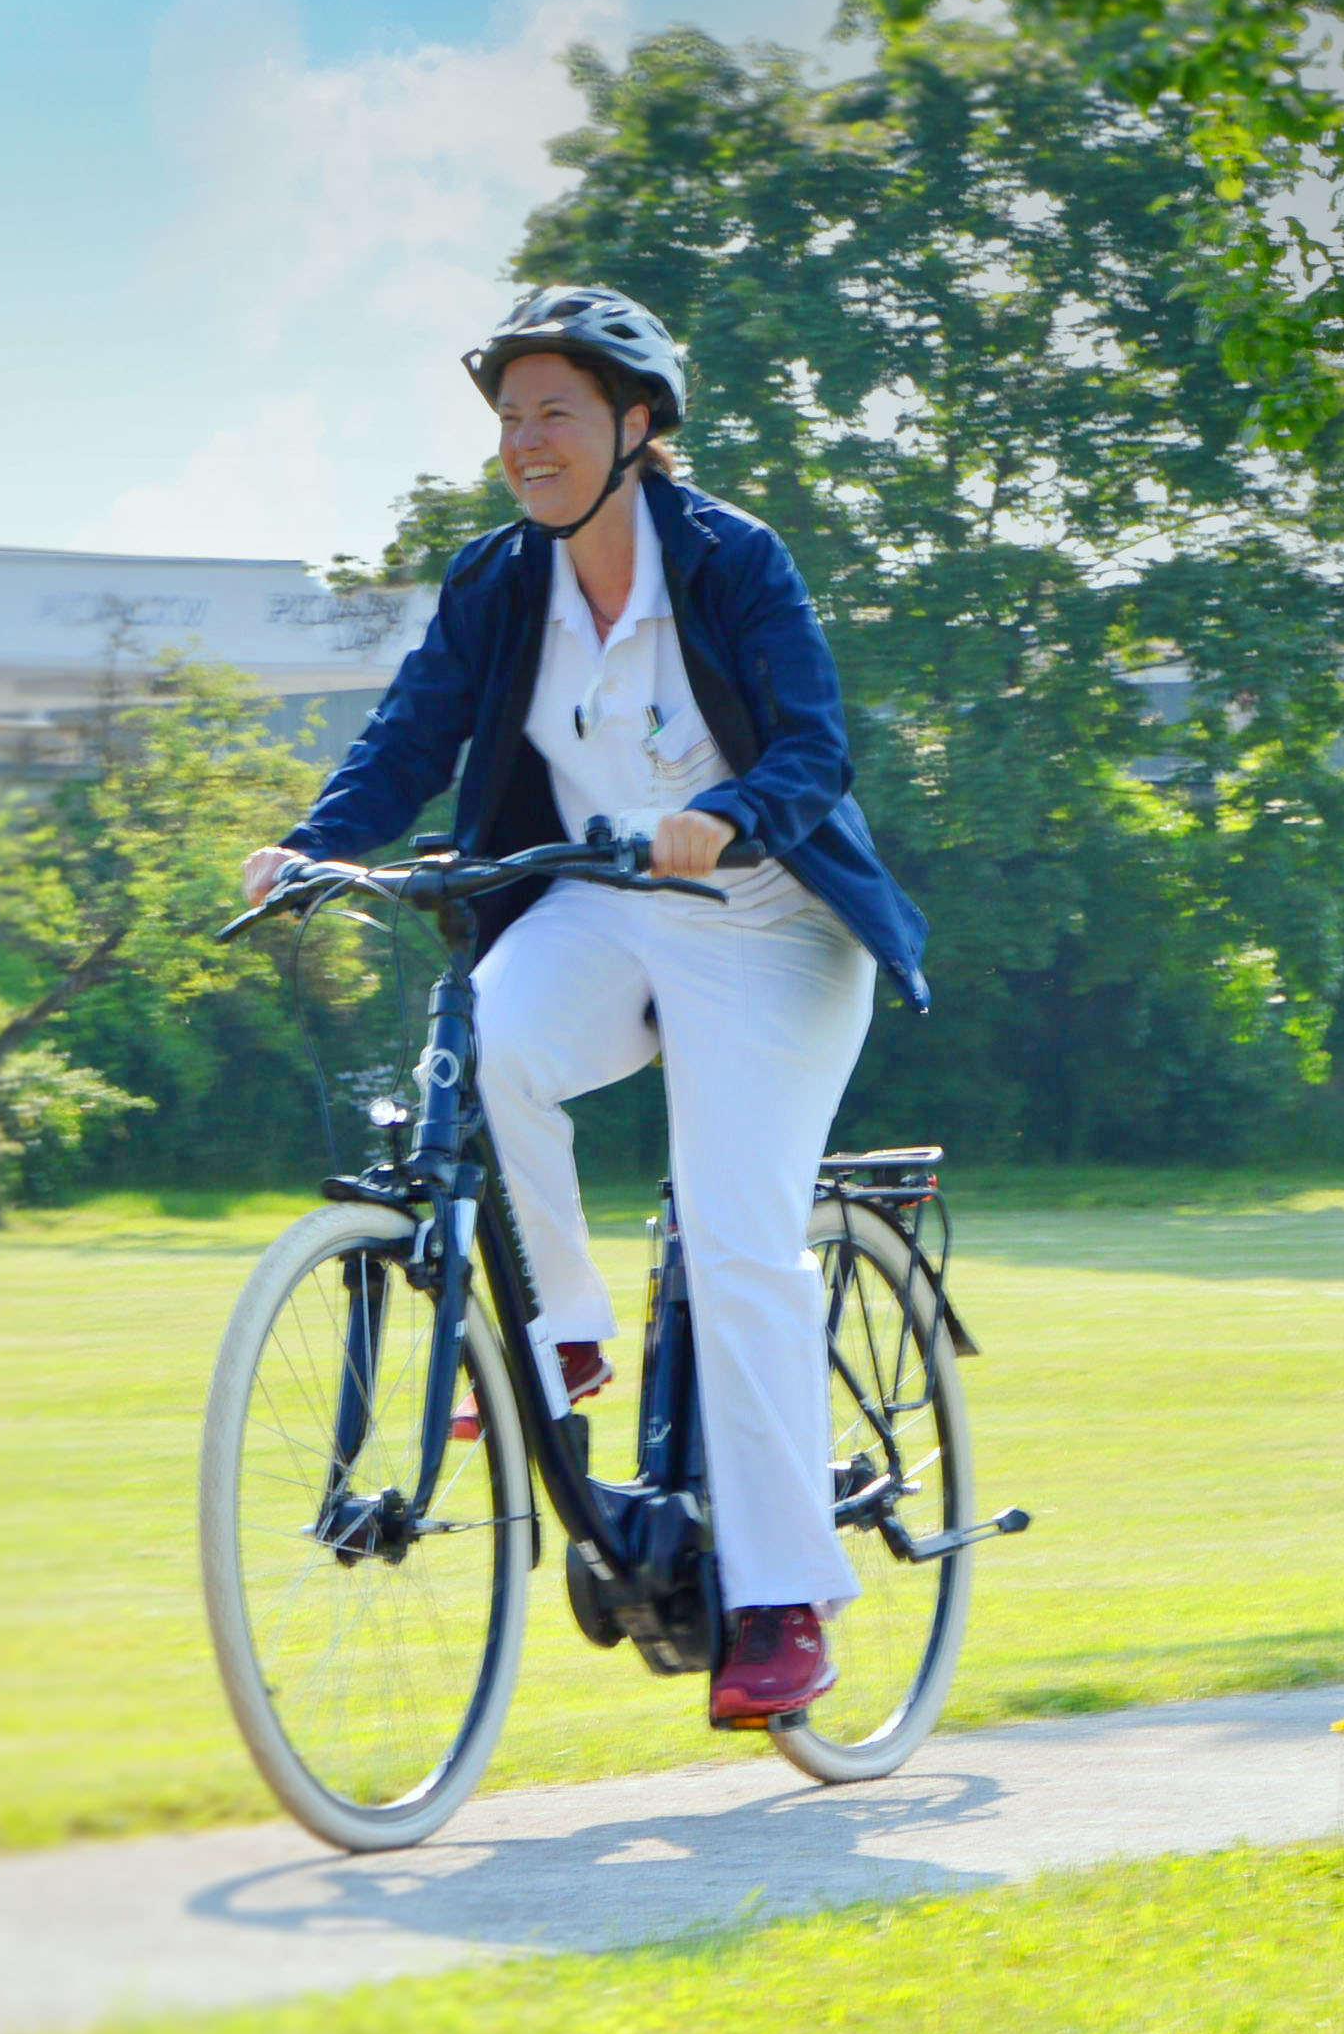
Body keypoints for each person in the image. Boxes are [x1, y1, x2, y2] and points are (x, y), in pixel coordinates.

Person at [243, 286, 930, 1730]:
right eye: (508, 419)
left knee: (740, 1236)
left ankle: (785, 1598)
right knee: (480, 1053)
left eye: (554, 412)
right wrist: (318, 846)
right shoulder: (500, 582)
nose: (524, 442)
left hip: (770, 918)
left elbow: (814, 748)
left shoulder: (734, 561)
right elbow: (408, 733)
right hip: (605, 904)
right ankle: (563, 1342)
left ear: (637, 425)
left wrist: (730, 814)